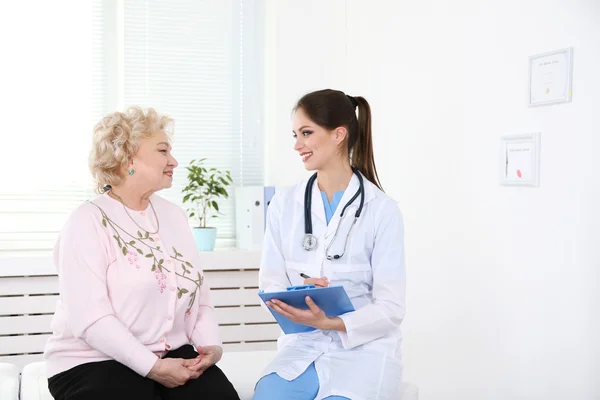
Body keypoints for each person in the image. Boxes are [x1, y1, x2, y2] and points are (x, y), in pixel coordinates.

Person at [43, 107, 240, 400]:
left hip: (172, 353)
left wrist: (210, 346)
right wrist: (153, 367)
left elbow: (200, 301)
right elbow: (90, 319)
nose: (173, 161)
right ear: (126, 158)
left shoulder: (175, 217)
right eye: (163, 150)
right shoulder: (87, 221)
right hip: (92, 361)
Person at [253, 89, 406, 400]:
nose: (297, 145)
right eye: (295, 135)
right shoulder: (284, 204)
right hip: (304, 345)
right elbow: (269, 283)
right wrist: (301, 296)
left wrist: (333, 321)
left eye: (306, 133)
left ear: (339, 135)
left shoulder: (382, 210)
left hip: (364, 350)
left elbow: (391, 307)